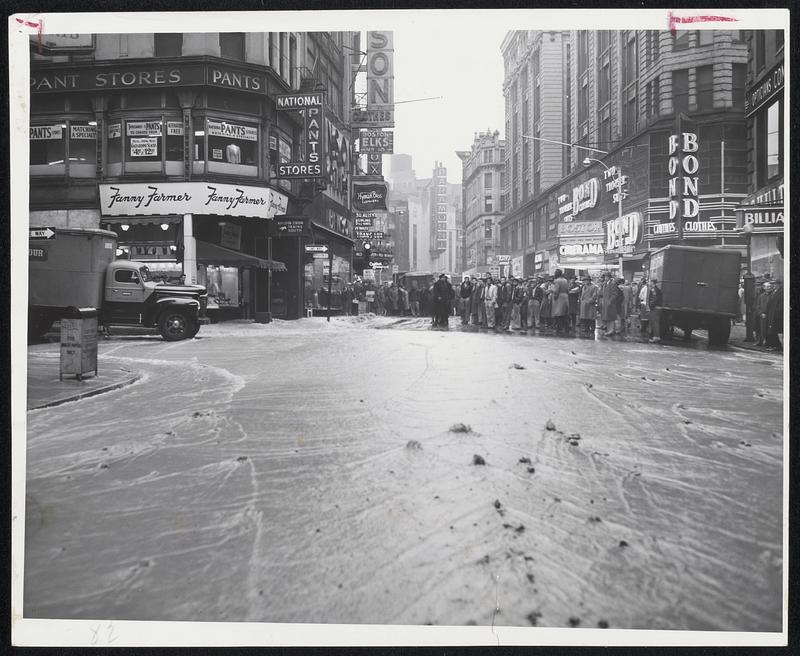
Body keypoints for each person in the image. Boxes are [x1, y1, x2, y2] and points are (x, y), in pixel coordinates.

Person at [550, 269, 570, 335]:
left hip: (559, 297)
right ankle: (567, 327)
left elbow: (556, 291)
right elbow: (567, 289)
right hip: (565, 297)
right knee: (565, 313)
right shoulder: (565, 280)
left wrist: (552, 290)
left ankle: (559, 328)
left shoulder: (557, 281)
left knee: (558, 313)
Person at [647, 278, 663, 343]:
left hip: (655, 308)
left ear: (653, 283)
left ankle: (656, 337)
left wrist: (650, 306)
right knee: (655, 323)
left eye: (650, 282)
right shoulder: (656, 289)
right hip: (656, 308)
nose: (649, 283)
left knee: (655, 323)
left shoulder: (654, 290)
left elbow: (654, 299)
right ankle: (656, 336)